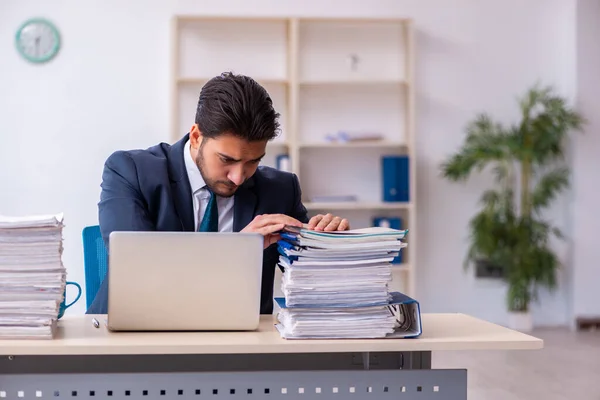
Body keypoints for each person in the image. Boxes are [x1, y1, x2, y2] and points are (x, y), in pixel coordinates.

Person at [86, 71, 350, 315]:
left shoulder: (279, 190)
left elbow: (313, 286)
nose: (238, 176)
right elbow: (138, 269)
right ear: (197, 136)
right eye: (226, 159)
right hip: (133, 336)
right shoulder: (130, 171)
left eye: (253, 162)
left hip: (239, 348)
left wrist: (333, 247)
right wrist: (237, 249)